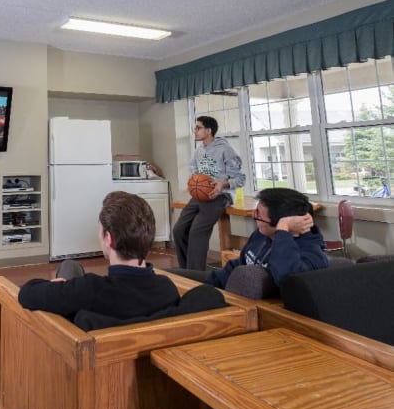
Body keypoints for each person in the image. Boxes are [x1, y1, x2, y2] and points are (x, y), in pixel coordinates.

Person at [18, 191, 180, 320]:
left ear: (109, 239)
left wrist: (58, 286)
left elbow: (26, 293)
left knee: (68, 267)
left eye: (99, 229)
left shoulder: (88, 290)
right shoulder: (167, 289)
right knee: (70, 266)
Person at [169, 188, 328, 292]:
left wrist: (282, 231)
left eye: (259, 214)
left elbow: (286, 279)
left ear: (280, 223)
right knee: (167, 277)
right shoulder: (262, 234)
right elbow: (238, 266)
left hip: (247, 308)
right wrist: (207, 287)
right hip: (227, 287)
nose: (253, 216)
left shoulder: (312, 255)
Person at [173, 115, 245, 270]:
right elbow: (196, 173)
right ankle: (186, 270)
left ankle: (196, 274)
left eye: (198, 128)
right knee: (179, 230)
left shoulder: (226, 150)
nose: (195, 131)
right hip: (200, 196)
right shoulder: (198, 151)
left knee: (197, 231)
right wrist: (194, 184)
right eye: (195, 128)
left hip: (220, 196)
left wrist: (222, 184)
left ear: (209, 130)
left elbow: (240, 179)